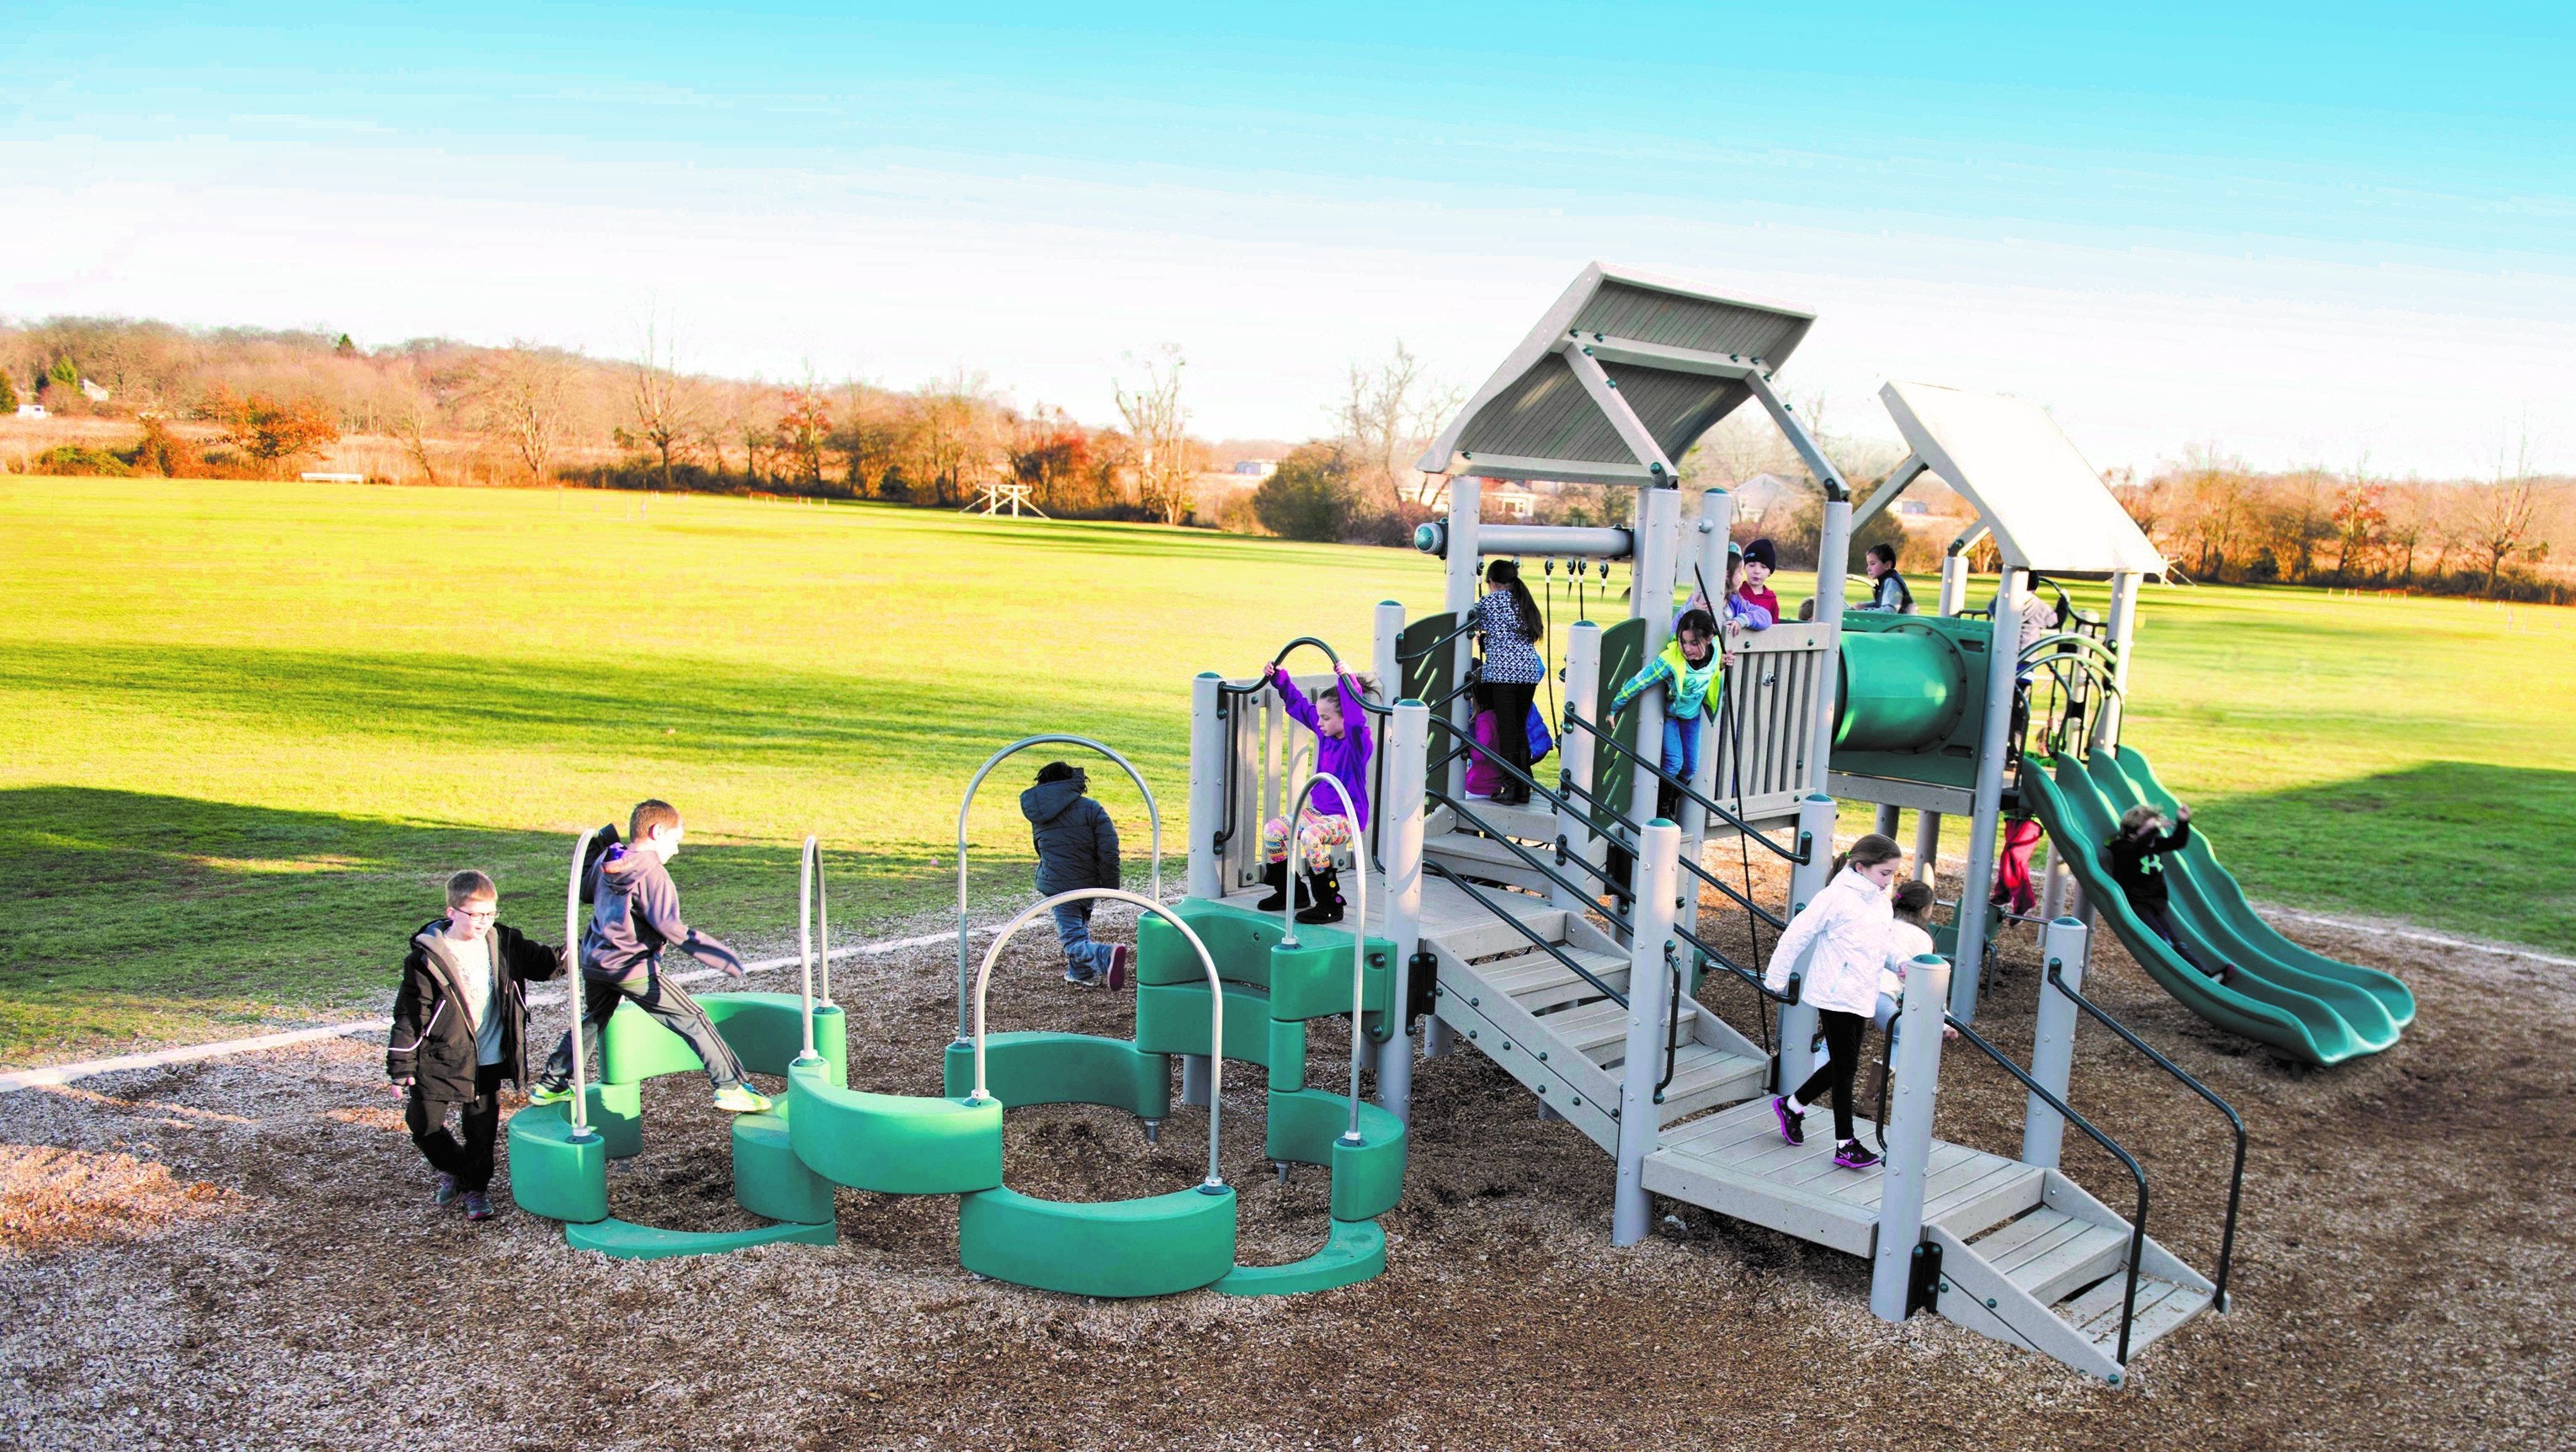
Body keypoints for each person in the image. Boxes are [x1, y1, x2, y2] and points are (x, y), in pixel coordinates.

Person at [530, 800, 773, 1114]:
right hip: (632, 967)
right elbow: (669, 925)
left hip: (596, 962)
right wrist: (719, 955)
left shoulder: (610, 858)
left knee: (594, 1018)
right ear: (657, 831)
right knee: (693, 1018)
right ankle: (731, 1087)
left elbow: (586, 891)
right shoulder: (653, 873)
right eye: (675, 840)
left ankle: (551, 1084)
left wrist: (598, 845)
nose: (677, 850)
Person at [386, 870, 567, 1221]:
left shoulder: (506, 942)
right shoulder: (427, 958)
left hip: (488, 1056)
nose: (485, 921)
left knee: (481, 1131)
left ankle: (476, 1190)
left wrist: (589, 944)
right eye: (476, 914)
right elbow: (410, 1014)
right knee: (423, 1124)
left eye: (491, 913)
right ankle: (458, 1169)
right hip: (439, 1057)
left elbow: (548, 964)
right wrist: (400, 1065)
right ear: (452, 912)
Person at [1763, 833, 1904, 1171]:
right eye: (1884, 873)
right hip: (1833, 993)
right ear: (1861, 867)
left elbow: (1881, 943)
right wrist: (1776, 979)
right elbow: (1796, 935)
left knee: (1844, 1064)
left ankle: (1792, 1106)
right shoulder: (1835, 897)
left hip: (1862, 993)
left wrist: (1901, 962)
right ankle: (1845, 1143)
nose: (1889, 881)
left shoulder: (1880, 902)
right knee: (1845, 1069)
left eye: (1893, 874)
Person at [1259, 662, 1374, 924]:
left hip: (1346, 818)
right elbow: (1298, 705)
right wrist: (1279, 678)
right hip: (1319, 813)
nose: (1319, 723)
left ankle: (1329, 903)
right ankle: (1292, 893)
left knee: (1312, 837)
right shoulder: (1325, 734)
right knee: (1274, 831)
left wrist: (1347, 681)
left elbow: (1355, 716)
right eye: (1319, 717)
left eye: (1326, 718)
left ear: (1343, 717)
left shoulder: (1357, 742)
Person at [1020, 762, 1131, 990]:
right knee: (1077, 928)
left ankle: (1105, 955)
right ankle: (1081, 971)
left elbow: (1040, 848)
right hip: (1087, 882)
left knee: (1072, 939)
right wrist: (1110, 885)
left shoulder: (1040, 813)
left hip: (1058, 884)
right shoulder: (1091, 808)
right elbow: (1109, 849)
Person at [1605, 609, 1722, 821]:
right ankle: (1662, 810)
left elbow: (1714, 670)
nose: (1687, 648)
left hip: (1692, 717)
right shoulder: (1670, 660)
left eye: (1694, 643)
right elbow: (1641, 681)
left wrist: (1724, 663)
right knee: (1674, 762)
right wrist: (1615, 706)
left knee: (1690, 768)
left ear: (1709, 639)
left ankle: (1666, 801)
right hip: (1671, 716)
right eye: (1683, 641)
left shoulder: (1716, 652)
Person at [2105, 801, 2234, 985]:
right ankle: (2190, 979)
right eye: (2150, 831)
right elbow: (2137, 850)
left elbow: (2178, 841)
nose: (2155, 836)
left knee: (2177, 943)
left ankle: (2204, 977)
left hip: (2154, 903)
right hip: (2136, 904)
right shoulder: (2122, 848)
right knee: (2164, 942)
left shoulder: (2153, 844)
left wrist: (2183, 822)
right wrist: (2153, 830)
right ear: (2132, 833)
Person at [1473, 560, 1546, 806]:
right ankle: (1524, 786)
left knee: (1507, 732)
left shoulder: (1490, 602)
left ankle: (1511, 788)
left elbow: (1472, 620)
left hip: (1504, 675)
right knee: (1519, 729)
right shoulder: (1523, 601)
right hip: (1528, 672)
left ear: (1492, 582)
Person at [1854, 542, 1914, 614]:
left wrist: (1862, 612)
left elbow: (1889, 611)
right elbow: (1884, 603)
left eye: (1872, 564)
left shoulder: (1891, 583)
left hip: (1901, 621)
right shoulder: (1888, 581)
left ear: (1887, 565)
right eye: (1868, 564)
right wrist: (1864, 606)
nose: (1868, 569)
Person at [1737, 538, 1783, 624]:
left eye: (1763, 567)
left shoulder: (1771, 599)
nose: (1757, 571)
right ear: (1744, 567)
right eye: (1751, 565)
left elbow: (1774, 626)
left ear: (1770, 572)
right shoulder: (1736, 594)